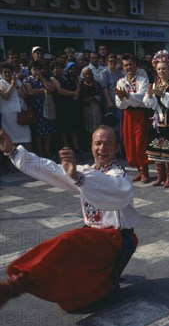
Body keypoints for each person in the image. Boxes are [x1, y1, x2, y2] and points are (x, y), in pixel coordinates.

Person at [0, 125, 140, 312]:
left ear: (116, 148)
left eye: (108, 144)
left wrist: (78, 178)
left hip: (117, 241)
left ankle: (14, 286)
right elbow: (51, 170)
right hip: (92, 238)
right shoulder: (84, 171)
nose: (102, 148)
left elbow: (116, 192)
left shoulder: (120, 175)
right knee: (72, 301)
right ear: (91, 146)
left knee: (69, 240)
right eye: (98, 143)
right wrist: (13, 152)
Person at [144, 50, 169, 188]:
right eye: (159, 68)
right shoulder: (154, 85)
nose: (161, 71)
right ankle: (160, 176)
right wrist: (149, 96)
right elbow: (150, 104)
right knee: (157, 149)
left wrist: (161, 94)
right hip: (157, 122)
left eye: (164, 68)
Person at [115, 54, 151, 183]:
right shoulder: (120, 82)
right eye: (125, 65)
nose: (128, 67)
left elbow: (141, 98)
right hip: (127, 115)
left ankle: (144, 170)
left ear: (135, 65)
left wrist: (126, 96)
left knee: (140, 142)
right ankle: (139, 170)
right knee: (130, 143)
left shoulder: (142, 79)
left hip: (139, 114)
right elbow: (119, 104)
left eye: (130, 64)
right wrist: (124, 97)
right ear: (122, 67)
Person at [23, 60, 56, 158]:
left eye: (38, 69)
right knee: (38, 131)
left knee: (48, 130)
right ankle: (40, 152)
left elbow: (52, 89)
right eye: (34, 69)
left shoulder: (44, 78)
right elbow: (30, 92)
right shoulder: (27, 80)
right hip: (35, 108)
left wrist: (43, 80)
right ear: (30, 70)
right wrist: (44, 90)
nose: (37, 71)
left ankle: (47, 150)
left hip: (46, 107)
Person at [50, 61, 82, 153]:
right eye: (56, 68)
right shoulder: (53, 78)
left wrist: (77, 93)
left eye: (60, 67)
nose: (58, 70)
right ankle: (67, 147)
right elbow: (59, 90)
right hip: (61, 105)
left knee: (73, 126)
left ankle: (76, 146)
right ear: (53, 70)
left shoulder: (68, 77)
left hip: (72, 104)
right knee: (63, 127)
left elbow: (76, 85)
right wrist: (73, 93)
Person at [0, 62, 31, 150]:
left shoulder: (18, 82)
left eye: (9, 72)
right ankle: (15, 160)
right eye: (4, 72)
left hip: (21, 112)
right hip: (8, 113)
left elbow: (24, 95)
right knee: (12, 139)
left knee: (27, 136)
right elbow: (5, 96)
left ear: (12, 72)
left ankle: (30, 158)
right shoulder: (1, 83)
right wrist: (12, 84)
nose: (7, 74)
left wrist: (16, 85)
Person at [80, 67, 104, 139]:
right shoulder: (80, 84)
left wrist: (92, 98)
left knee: (96, 125)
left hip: (95, 106)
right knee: (87, 124)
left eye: (89, 74)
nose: (87, 76)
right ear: (83, 75)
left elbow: (100, 96)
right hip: (85, 107)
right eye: (86, 74)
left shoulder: (96, 84)